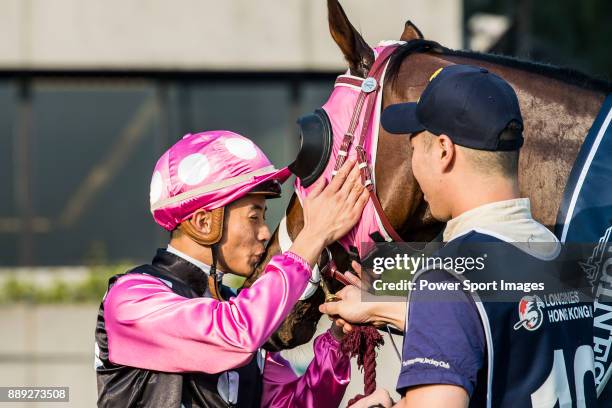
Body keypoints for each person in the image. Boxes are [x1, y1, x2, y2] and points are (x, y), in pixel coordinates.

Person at [321, 65, 597, 407]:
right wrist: (387, 305)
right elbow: (500, 324)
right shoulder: (566, 259)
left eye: (413, 150)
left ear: (443, 150)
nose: (414, 166)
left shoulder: (447, 278)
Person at [95, 130, 370, 407]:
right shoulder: (132, 297)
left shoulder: (239, 309)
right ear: (203, 223)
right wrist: (313, 237)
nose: (264, 232)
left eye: (265, 217)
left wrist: (337, 339)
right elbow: (238, 332)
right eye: (254, 217)